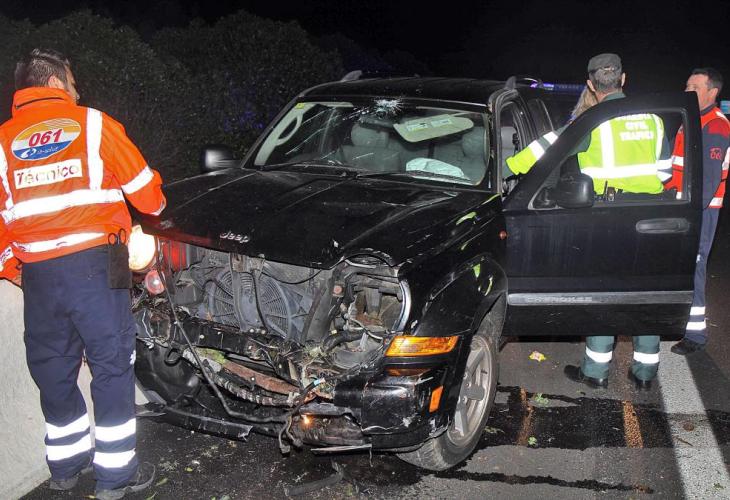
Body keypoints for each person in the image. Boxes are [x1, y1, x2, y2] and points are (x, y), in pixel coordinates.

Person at [0, 49, 166, 499]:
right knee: (111, 366)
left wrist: (14, 269)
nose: (77, 92)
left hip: (38, 277)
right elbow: (146, 195)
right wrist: (156, 201)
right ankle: (115, 477)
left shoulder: (2, 141)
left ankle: (65, 469)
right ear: (55, 83)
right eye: (73, 84)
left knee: (53, 370)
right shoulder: (93, 124)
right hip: (96, 268)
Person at [559, 53, 668, 390]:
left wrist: (509, 168)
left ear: (591, 85)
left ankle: (596, 372)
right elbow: (665, 173)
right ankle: (645, 374)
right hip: (650, 216)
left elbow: (552, 154)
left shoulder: (592, 120)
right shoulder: (653, 119)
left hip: (608, 215)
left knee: (604, 292)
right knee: (646, 293)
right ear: (623, 79)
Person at [666, 68, 730, 355]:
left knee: (694, 269)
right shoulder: (691, 120)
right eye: (687, 85)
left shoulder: (715, 125)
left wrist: (689, 214)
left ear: (712, 92)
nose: (687, 90)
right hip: (683, 208)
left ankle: (695, 335)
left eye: (695, 87)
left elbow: (708, 180)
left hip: (699, 212)